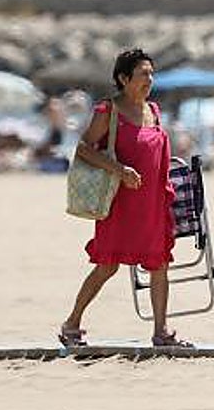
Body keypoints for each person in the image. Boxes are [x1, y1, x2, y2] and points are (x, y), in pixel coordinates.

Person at [59, 48, 191, 348]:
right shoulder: (109, 111)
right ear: (123, 78)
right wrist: (120, 170)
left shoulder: (153, 111)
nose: (150, 79)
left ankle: (161, 332)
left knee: (159, 265)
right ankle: (72, 324)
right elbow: (84, 149)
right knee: (107, 265)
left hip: (153, 204)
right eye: (143, 74)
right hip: (119, 204)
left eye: (151, 73)